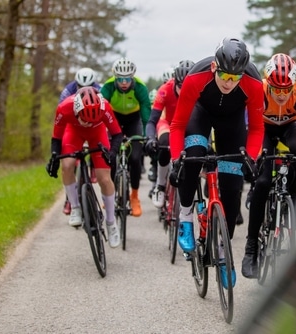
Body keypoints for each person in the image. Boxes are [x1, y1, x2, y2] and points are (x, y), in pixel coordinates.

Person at [169, 37, 265, 287]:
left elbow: (256, 129)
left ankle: (223, 251)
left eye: (236, 78)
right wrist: (175, 158)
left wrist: (250, 158)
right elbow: (178, 125)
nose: (229, 83)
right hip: (200, 115)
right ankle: (186, 216)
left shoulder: (253, 83)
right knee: (193, 156)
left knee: (233, 188)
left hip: (231, 124)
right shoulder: (196, 76)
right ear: (215, 68)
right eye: (225, 76)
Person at [241, 53, 296, 279]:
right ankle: (251, 249)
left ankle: (293, 199)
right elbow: (254, 130)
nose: (280, 94)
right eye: (276, 89)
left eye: (285, 90)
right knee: (264, 181)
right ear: (268, 82)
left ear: (293, 84)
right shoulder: (259, 90)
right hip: (264, 129)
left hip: (290, 127)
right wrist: (256, 158)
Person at [46, 86, 123, 248]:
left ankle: (111, 222)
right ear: (76, 110)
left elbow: (117, 134)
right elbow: (56, 138)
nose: (88, 123)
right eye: (85, 119)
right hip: (73, 133)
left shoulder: (105, 106)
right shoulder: (64, 107)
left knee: (104, 177)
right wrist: (54, 157)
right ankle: (75, 207)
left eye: (92, 120)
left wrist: (112, 153)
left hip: (98, 135)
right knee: (67, 165)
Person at [100, 57, 151, 217]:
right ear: (115, 77)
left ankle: (134, 196)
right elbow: (100, 112)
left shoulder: (140, 87)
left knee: (135, 158)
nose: (124, 82)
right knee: (112, 157)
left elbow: (146, 115)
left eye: (127, 78)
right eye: (120, 79)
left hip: (133, 120)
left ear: (132, 77)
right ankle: (112, 193)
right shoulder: (108, 87)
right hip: (113, 118)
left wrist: (147, 136)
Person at [145, 59, 196, 208]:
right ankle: (160, 186)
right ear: (175, 82)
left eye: (188, 86)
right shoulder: (165, 89)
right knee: (165, 144)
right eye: (181, 86)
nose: (184, 90)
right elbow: (152, 121)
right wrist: (150, 138)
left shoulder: (198, 90)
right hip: (168, 123)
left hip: (188, 125)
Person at [58, 67, 101, 215]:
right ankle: (69, 199)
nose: (83, 90)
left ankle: (93, 167)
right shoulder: (67, 91)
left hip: (93, 126)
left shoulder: (100, 90)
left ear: (94, 84)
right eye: (80, 87)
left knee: (99, 146)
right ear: (76, 85)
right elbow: (62, 117)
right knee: (69, 163)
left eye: (88, 87)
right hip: (73, 126)